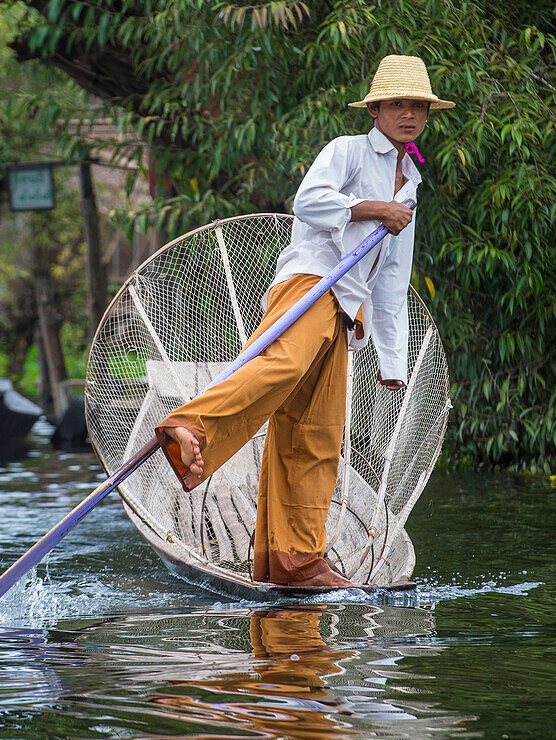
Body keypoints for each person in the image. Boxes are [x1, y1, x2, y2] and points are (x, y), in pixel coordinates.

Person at [154, 55, 455, 587]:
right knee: (282, 365)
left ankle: (293, 561)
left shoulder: (411, 183)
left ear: (426, 115)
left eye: (417, 106)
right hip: (311, 285)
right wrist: (373, 209)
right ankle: (190, 424)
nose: (408, 114)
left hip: (346, 309)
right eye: (397, 104)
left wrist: (391, 358)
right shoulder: (349, 151)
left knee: (315, 435)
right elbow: (309, 202)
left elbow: (391, 278)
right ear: (378, 110)